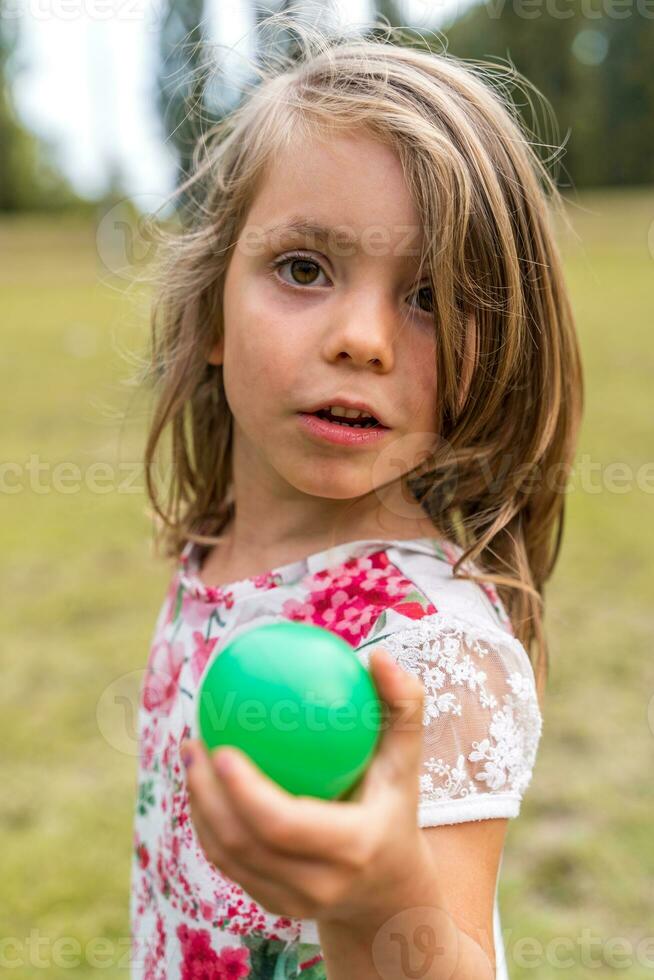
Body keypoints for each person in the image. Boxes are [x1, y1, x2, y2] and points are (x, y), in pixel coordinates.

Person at [129, 16, 583, 980]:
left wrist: (375, 895)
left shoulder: (431, 649)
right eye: (303, 269)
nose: (362, 339)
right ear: (212, 304)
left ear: (487, 355)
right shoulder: (216, 545)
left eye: (429, 297)